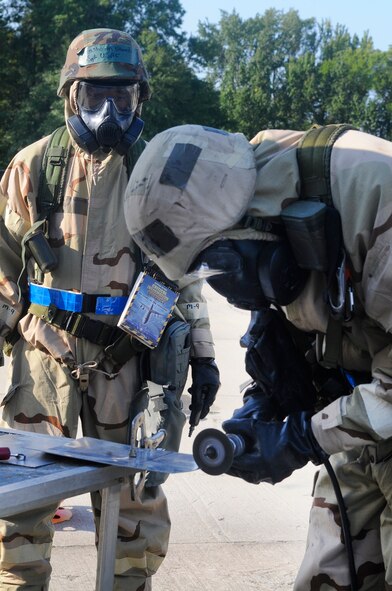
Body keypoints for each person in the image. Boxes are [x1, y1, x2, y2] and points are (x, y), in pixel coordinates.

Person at [123, 122, 392, 590]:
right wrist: (269, 398)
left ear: (242, 227)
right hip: (368, 420)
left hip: (377, 409)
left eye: (216, 265)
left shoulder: (374, 195)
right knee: (328, 576)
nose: (225, 286)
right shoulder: (260, 200)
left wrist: (304, 437)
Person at [0, 33, 220, 591]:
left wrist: (203, 354)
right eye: (94, 95)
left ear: (139, 100)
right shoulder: (33, 167)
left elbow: (182, 275)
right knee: (19, 513)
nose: (107, 112)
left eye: (121, 98)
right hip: (43, 361)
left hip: (129, 364)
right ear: (69, 97)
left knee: (134, 509)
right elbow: (2, 263)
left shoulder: (158, 177)